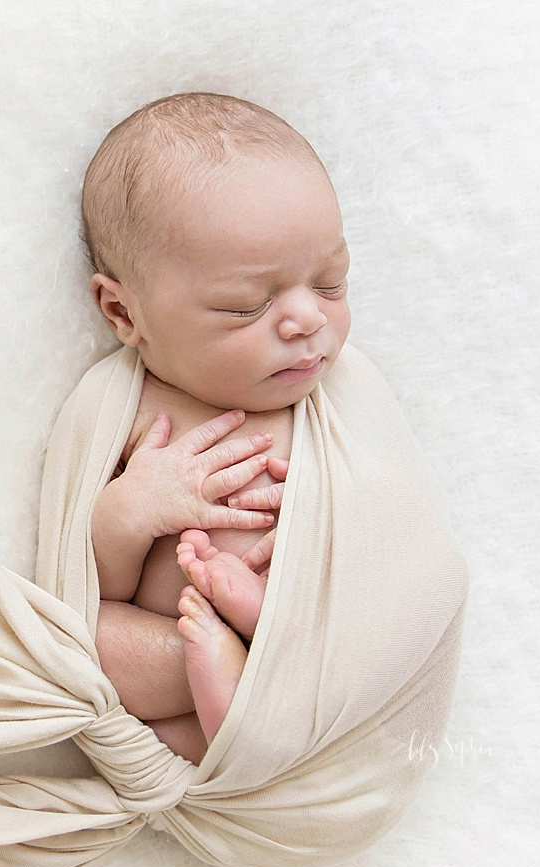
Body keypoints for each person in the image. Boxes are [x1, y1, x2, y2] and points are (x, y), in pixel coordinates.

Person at [81, 93, 352, 763]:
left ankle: (269, 643)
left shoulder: (343, 399)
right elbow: (94, 580)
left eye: (332, 282)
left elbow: (401, 534)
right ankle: (225, 678)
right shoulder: (127, 410)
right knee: (81, 635)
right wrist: (130, 512)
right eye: (244, 306)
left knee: (349, 625)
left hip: (314, 635)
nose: (305, 321)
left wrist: (328, 516)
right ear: (123, 312)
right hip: (177, 649)